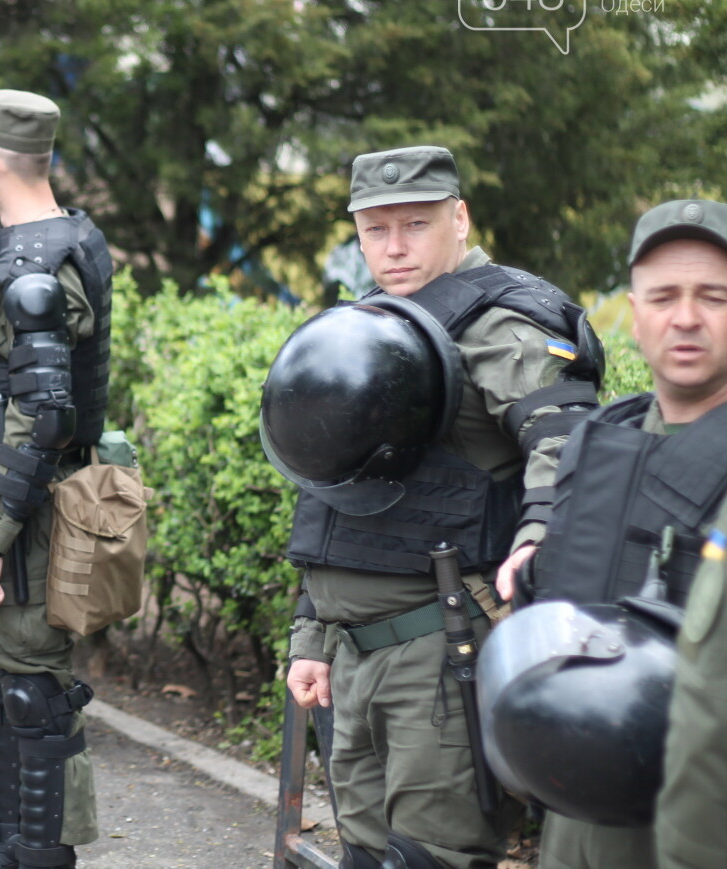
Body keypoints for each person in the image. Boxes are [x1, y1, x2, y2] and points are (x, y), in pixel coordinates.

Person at [275, 146, 602, 869]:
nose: (392, 248)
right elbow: (337, 498)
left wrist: (539, 535)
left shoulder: (502, 322)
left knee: (432, 858)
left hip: (442, 651)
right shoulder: (373, 324)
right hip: (353, 656)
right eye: (374, 229)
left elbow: (568, 441)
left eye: (415, 224)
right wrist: (310, 635)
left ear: (459, 218)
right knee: (362, 854)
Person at [483, 199, 727, 869]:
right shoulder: (601, 439)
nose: (686, 317)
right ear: (635, 312)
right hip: (573, 814)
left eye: (714, 296)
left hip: (692, 824)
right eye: (664, 296)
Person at [0, 89, 111, 869]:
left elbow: (42, 414)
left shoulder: (40, 263)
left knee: (36, 693)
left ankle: (38, 855)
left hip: (28, 498)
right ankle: (8, 851)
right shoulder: (24, 245)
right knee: (9, 684)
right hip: (2, 484)